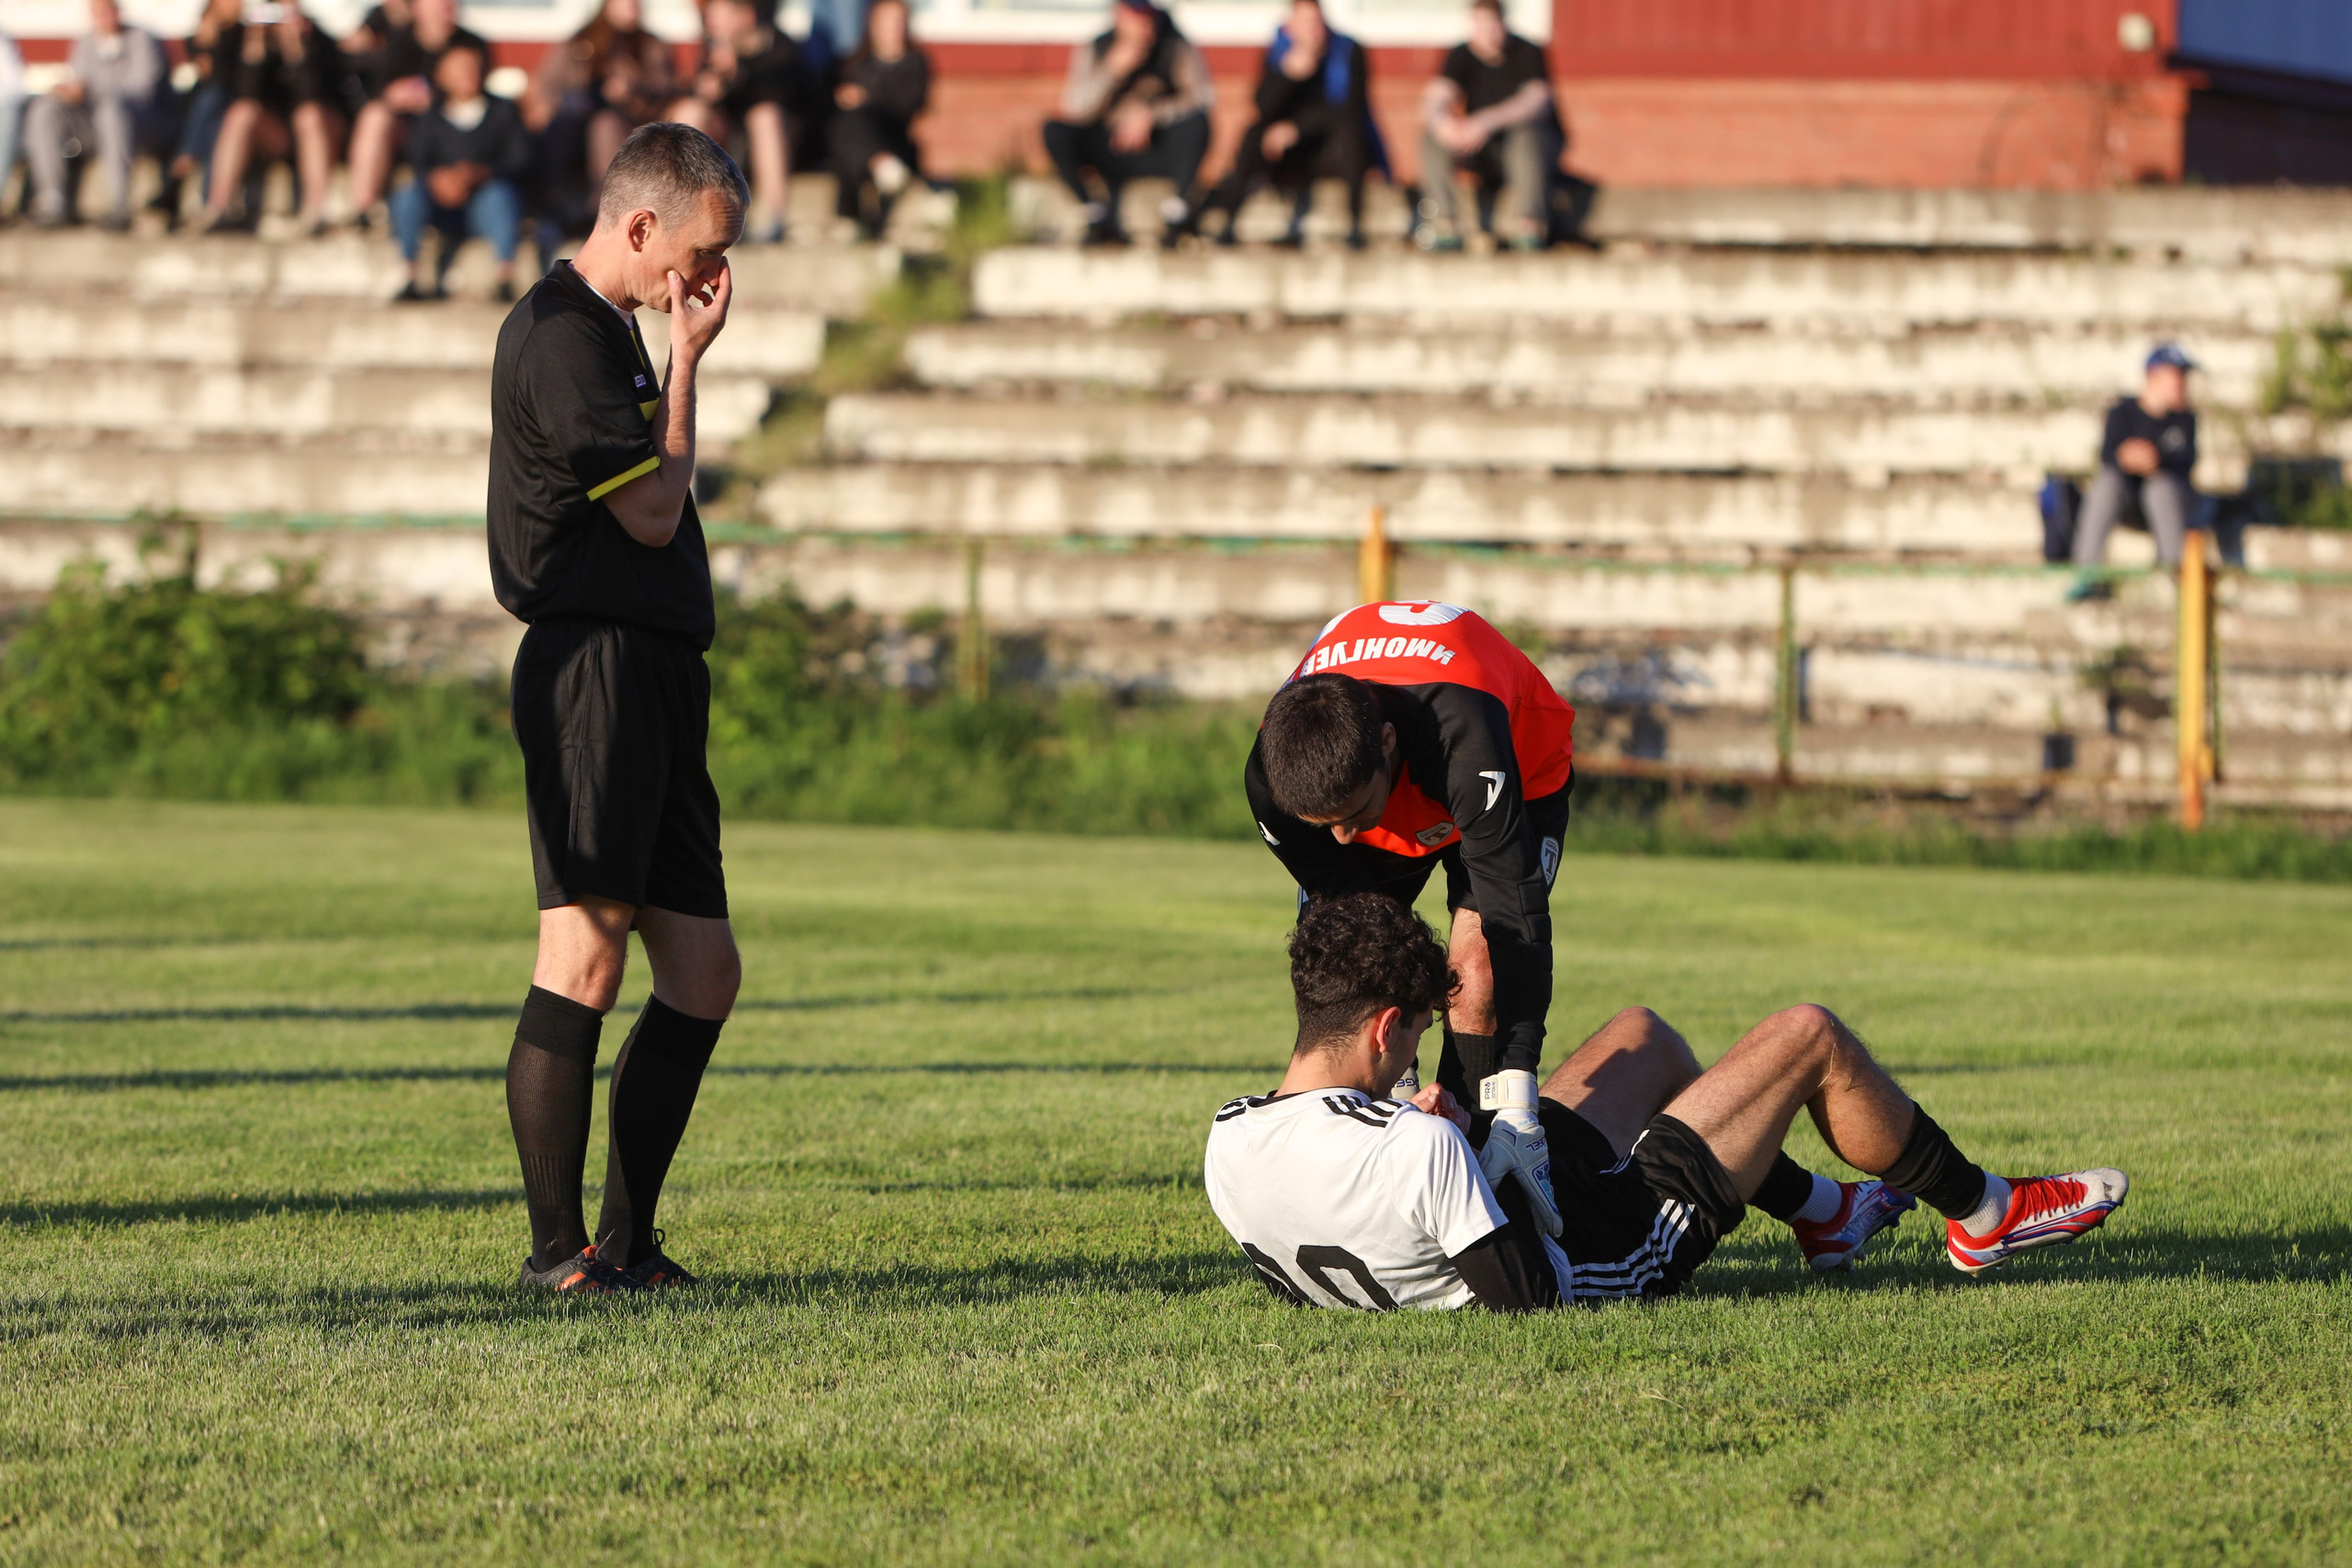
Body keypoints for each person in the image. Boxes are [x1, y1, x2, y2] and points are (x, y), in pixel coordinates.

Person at [1205, 893, 2132, 1311]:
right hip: (1601, 1249)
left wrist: (1456, 1141)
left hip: (1453, 1205)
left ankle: (1825, 1216)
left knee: (1641, 1037)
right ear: (1380, 1030)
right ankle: (1984, 1214)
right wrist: (1455, 1144)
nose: (1411, 1055)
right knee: (1807, 1034)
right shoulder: (1419, 1151)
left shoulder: (1229, 1142)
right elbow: (1527, 1304)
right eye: (1410, 1035)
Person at [487, 122, 745, 1293]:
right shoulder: (561, 338)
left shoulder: (616, 331)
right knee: (582, 954)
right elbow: (648, 515)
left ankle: (630, 1243)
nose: (705, 279)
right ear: (640, 227)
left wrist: (672, 349)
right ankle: (558, 1257)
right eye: (700, 253)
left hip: (656, 675)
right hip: (590, 669)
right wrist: (692, 362)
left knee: (702, 973)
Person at [1244, 600, 1575, 1239]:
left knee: (1476, 969)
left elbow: (1516, 917)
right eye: (1323, 823)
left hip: (1516, 767)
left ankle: (1487, 1150)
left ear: (1388, 744)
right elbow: (1346, 912)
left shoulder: (1464, 733)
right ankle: (1386, 1144)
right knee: (1362, 975)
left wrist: (1520, 1096)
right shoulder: (1271, 774)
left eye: (1351, 812)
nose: (1340, 837)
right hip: (1401, 780)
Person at [1193, 0, 1378, 251]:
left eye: (1316, 23)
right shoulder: (1279, 54)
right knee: (1253, 133)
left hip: (1329, 149)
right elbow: (1261, 107)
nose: (1312, 30)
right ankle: (1227, 222)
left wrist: (1297, 129)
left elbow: (1350, 108)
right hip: (1285, 154)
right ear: (1290, 27)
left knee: (1350, 133)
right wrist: (1287, 75)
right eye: (1304, 23)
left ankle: (1355, 226)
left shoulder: (1347, 52)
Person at [1039, 0, 1213, 247]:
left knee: (1198, 124)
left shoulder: (1173, 43)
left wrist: (1152, 114)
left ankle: (1176, 213)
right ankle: (1094, 212)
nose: (1144, 26)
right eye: (1136, 17)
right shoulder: (1098, 47)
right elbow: (1075, 108)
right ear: (1119, 15)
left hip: (1159, 145)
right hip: (1110, 146)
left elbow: (1201, 98)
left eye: (1148, 17)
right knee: (1054, 130)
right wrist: (1112, 70)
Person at [390, 40, 526, 301]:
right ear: (442, 76)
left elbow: (519, 159)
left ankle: (505, 275)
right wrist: (437, 180)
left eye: (474, 68)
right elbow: (418, 160)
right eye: (461, 69)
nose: (470, 75)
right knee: (407, 196)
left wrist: (478, 173)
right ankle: (408, 273)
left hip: (484, 204)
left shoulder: (503, 111)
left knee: (500, 196)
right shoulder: (430, 115)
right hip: (439, 206)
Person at [198, 1, 347, 234]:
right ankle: (218, 207)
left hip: (315, 129)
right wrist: (254, 51)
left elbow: (313, 96)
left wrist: (297, 52)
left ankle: (316, 211)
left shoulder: (317, 37)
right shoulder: (241, 36)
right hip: (274, 133)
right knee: (241, 113)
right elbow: (243, 94)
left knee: (308, 116)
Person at [1418, 0, 1555, 251]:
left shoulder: (1526, 51)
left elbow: (1536, 101)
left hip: (1528, 150)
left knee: (1525, 136)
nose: (1486, 35)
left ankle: (1530, 224)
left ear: (1504, 25)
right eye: (1479, 26)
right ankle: (1444, 222)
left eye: (1491, 27)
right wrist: (1443, 123)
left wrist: (1485, 122)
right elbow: (1436, 97)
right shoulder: (1461, 54)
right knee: (1431, 137)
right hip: (1481, 149)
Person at [22, 0, 169, 231]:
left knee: (111, 113)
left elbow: (142, 91)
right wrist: (69, 92)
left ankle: (119, 206)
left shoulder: (141, 39)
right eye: (97, 13)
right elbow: (80, 82)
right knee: (45, 110)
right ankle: (53, 203)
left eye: (107, 11)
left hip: (139, 124)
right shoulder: (87, 41)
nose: (104, 18)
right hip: (92, 124)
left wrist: (92, 90)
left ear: (118, 11)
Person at [341, 0, 489, 228]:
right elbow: (380, 91)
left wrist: (439, 96)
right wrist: (396, 95)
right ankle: (363, 208)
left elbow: (480, 98)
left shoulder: (471, 44)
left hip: (451, 131)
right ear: (418, 9)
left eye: (449, 4)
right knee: (374, 116)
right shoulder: (399, 41)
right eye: (437, 4)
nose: (445, 8)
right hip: (407, 128)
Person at [667, 0, 803, 243]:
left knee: (765, 116)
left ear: (746, 17)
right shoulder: (710, 48)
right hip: (727, 141)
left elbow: (786, 97)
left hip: (777, 138)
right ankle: (680, 213)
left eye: (719, 16)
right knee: (690, 112)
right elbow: (698, 95)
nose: (711, 22)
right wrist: (710, 87)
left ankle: (774, 218)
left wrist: (740, 74)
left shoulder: (779, 46)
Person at [523, 0, 675, 216]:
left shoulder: (650, 44)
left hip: (633, 126)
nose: (634, 6)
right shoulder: (582, 40)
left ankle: (606, 207)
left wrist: (632, 90)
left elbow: (666, 89)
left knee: (605, 124)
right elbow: (548, 84)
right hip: (575, 128)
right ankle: (550, 202)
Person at [2070, 344, 2200, 593]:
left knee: (2161, 489)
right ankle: (2086, 572)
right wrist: (2125, 458)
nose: (2183, 384)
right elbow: (2108, 458)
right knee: (2107, 483)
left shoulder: (2185, 420)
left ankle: (2174, 574)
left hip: (2169, 505)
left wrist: (2154, 464)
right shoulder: (2121, 413)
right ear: (2155, 377)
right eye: (2178, 376)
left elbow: (2186, 468)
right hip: (2128, 502)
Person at [826, 0, 928, 241]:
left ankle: (848, 216)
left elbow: (909, 105)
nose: (894, 28)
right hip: (856, 142)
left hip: (894, 141)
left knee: (852, 127)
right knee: (848, 127)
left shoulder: (915, 62)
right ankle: (880, 165)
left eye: (898, 21)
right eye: (887, 21)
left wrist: (867, 99)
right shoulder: (856, 63)